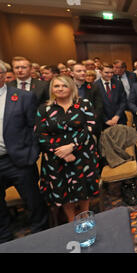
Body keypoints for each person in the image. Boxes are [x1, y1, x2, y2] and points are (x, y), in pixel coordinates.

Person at [35, 75, 100, 222]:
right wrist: (62, 153)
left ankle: (85, 218)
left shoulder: (83, 104)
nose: (60, 89)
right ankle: (72, 222)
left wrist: (72, 146)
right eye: (56, 86)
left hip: (82, 155)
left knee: (84, 189)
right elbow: (40, 134)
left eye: (64, 86)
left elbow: (90, 126)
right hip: (56, 158)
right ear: (51, 89)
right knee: (64, 192)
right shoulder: (44, 109)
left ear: (71, 87)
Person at [0, 61, 48, 243]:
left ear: (4, 76)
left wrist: (32, 153)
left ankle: (41, 235)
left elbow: (35, 127)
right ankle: (4, 238)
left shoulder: (23, 97)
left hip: (19, 160)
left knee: (34, 202)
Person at [94, 63, 128, 130]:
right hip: (104, 123)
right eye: (106, 73)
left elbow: (123, 101)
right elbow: (96, 106)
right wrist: (106, 120)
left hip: (120, 119)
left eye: (112, 72)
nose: (110, 75)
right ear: (100, 72)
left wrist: (117, 116)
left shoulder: (118, 83)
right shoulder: (95, 86)